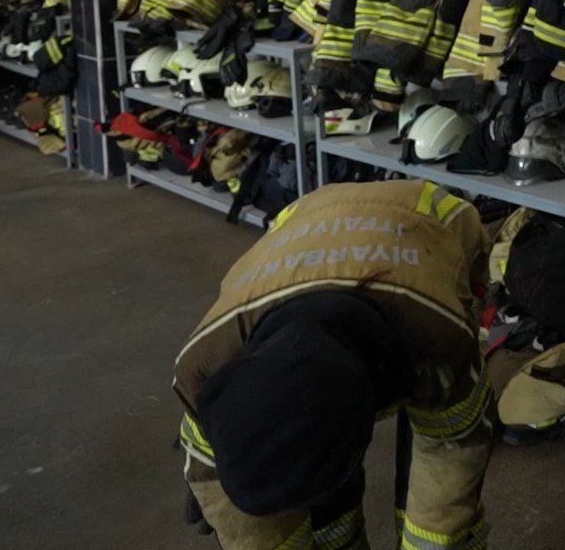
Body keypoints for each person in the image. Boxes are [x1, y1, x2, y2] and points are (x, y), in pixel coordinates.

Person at [172, 179, 493, 550]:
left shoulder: (439, 337)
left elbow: (451, 458)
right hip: (306, 217)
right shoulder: (202, 366)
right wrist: (215, 473)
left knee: (437, 482)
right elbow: (224, 482)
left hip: (430, 218)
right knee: (309, 473)